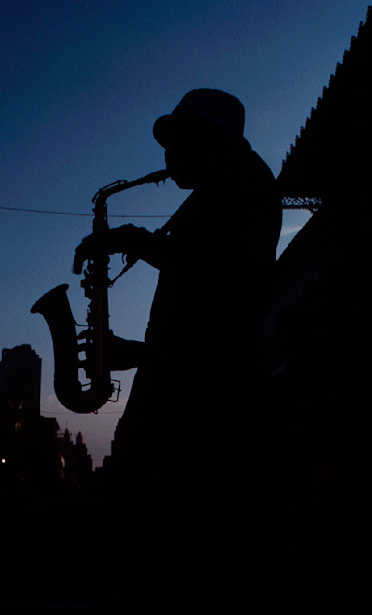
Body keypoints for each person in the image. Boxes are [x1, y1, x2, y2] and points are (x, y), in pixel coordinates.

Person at [76, 89, 282, 508]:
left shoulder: (243, 186)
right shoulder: (220, 189)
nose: (167, 158)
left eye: (176, 143)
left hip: (202, 419)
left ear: (207, 138)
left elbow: (222, 308)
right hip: (187, 404)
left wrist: (130, 239)